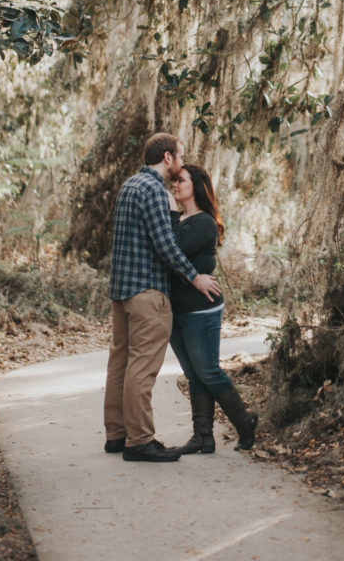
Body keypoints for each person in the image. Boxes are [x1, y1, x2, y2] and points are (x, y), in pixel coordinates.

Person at [103, 133, 221, 462]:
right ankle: (139, 441)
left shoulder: (129, 185)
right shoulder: (154, 189)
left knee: (120, 364)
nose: (181, 164)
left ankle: (117, 434)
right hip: (147, 293)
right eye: (180, 158)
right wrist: (194, 277)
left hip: (120, 292)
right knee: (142, 368)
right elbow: (166, 245)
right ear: (167, 157)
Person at [168, 163, 258, 454]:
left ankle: (244, 422)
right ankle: (203, 436)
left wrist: (169, 211)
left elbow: (173, 248)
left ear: (196, 186)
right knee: (194, 375)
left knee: (208, 371)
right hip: (177, 311)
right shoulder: (182, 219)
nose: (175, 184)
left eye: (181, 180)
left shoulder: (203, 222)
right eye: (175, 180)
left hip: (201, 311)